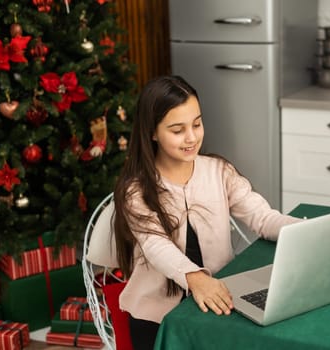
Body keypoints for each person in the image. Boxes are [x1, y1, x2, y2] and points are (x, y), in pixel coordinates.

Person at [112, 75, 301, 349]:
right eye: (177, 130)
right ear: (152, 132)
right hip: (156, 319)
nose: (191, 137)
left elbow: (262, 217)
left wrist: (305, 230)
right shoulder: (136, 190)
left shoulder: (219, 171)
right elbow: (155, 245)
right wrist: (196, 279)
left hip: (218, 303)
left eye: (197, 124)